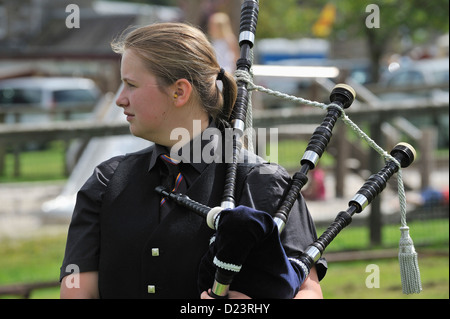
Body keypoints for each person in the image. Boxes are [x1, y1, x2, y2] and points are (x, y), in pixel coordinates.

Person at [59, 22, 326, 299]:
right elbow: (78, 292)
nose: (120, 99)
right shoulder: (105, 182)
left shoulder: (265, 183)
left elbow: (308, 291)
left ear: (179, 91)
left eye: (130, 84)